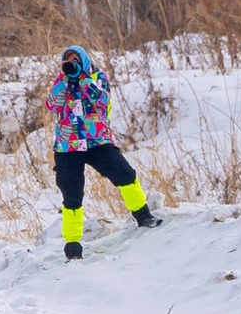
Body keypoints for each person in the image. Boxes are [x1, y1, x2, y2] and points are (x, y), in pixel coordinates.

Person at [48, 44, 160, 260]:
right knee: (71, 197)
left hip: (97, 141)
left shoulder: (98, 78)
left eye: (76, 60)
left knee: (125, 174)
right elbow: (52, 106)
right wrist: (64, 79)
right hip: (68, 147)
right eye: (68, 61)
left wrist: (83, 77)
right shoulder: (61, 82)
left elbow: (101, 100)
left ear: (84, 60)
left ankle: (143, 216)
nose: (72, 64)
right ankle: (73, 248)